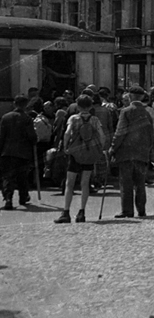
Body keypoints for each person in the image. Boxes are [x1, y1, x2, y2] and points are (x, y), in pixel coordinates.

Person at [54, 94, 106, 223]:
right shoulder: (94, 119)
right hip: (89, 154)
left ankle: (66, 212)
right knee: (85, 183)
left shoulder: (73, 118)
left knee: (69, 183)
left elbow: (67, 133)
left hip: (75, 153)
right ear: (90, 106)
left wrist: (66, 147)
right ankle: (82, 212)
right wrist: (99, 149)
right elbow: (102, 136)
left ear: (78, 105)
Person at [109, 86, 154, 218]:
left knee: (126, 183)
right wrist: (148, 149)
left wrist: (113, 148)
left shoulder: (126, 111)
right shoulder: (147, 112)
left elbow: (120, 132)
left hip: (126, 152)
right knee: (140, 183)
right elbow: (151, 134)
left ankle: (127, 210)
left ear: (130, 97)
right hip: (142, 153)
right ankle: (141, 210)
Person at [1, 95, 38, 210]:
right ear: (25, 105)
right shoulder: (27, 119)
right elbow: (31, 136)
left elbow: (1, 136)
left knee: (8, 176)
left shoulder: (5, 117)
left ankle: (8, 198)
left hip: (7, 152)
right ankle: (23, 197)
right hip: (22, 152)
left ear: (14, 103)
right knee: (22, 176)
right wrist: (34, 141)